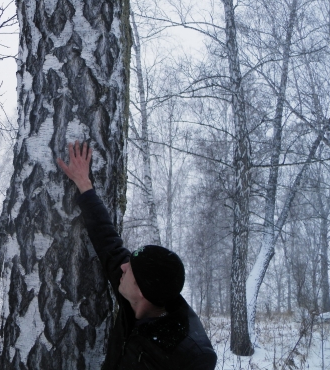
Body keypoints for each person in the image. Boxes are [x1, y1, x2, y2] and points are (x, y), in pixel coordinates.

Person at [57, 141, 217, 370]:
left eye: (129, 268)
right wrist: (84, 185)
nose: (122, 267)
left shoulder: (188, 355)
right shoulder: (142, 296)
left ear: (142, 290)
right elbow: (108, 241)